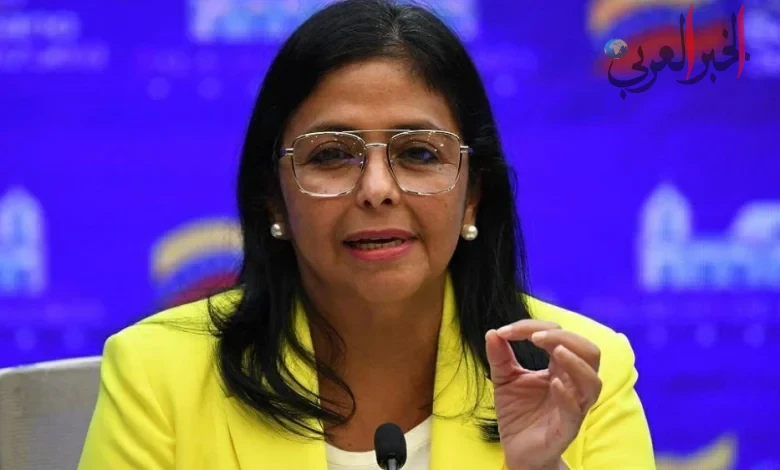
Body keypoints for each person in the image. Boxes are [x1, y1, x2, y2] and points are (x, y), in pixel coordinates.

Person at [78, 1, 655, 469]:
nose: (377, 189)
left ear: (473, 195)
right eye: (331, 154)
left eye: (418, 153)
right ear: (274, 198)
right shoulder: (159, 373)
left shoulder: (578, 372)